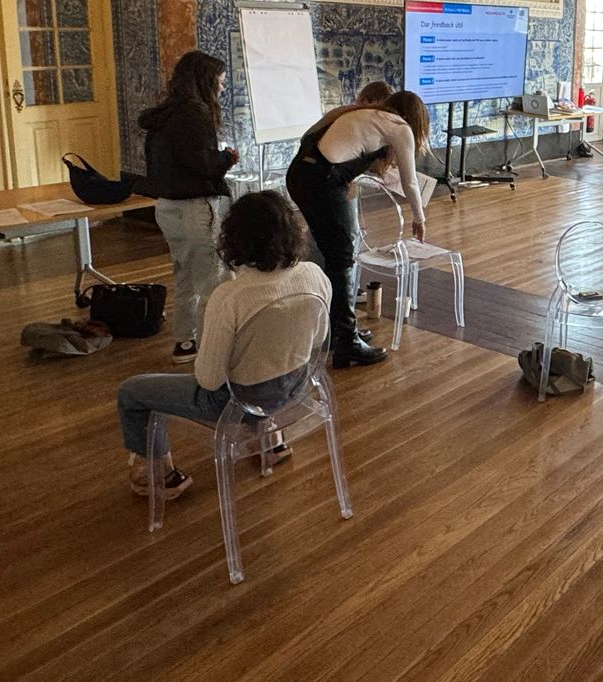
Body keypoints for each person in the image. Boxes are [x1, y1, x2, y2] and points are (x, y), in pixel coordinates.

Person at [114, 192, 330, 502]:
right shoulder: (315, 276)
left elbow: (209, 380)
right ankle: (270, 440)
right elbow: (317, 339)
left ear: (233, 240)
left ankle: (160, 473)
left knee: (131, 392)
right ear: (293, 231)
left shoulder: (231, 297)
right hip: (295, 388)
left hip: (237, 402)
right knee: (263, 365)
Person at [284, 89, 431, 367]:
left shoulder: (357, 114)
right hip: (323, 182)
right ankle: (347, 342)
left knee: (334, 256)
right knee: (341, 260)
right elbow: (410, 182)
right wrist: (419, 218)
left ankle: (336, 331)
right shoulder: (400, 127)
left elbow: (312, 141)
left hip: (299, 175)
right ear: (416, 120)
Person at [139, 50, 239, 363]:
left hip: (167, 207)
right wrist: (227, 158)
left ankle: (185, 342)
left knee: (184, 277)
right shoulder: (195, 114)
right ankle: (215, 351)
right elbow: (203, 165)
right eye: (220, 81)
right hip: (195, 208)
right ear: (206, 80)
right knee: (215, 282)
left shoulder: (164, 114)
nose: (222, 87)